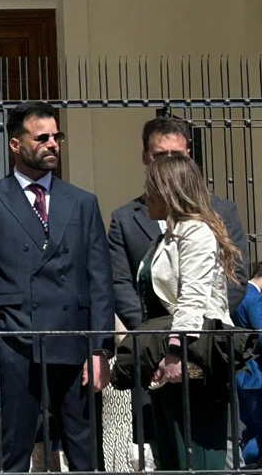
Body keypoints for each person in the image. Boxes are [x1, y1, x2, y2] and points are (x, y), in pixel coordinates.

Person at [0, 101, 113, 472]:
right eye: (42, 138)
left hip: (74, 344)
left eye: (56, 136)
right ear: (15, 144)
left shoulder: (82, 202)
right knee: (12, 455)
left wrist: (100, 348)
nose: (52, 144)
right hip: (16, 344)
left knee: (87, 456)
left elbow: (100, 280)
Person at [138, 154, 239, 470]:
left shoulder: (195, 232)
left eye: (150, 189)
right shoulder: (168, 236)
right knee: (172, 458)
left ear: (167, 192)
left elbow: (193, 299)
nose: (145, 197)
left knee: (196, 458)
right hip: (167, 361)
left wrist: (175, 353)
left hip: (192, 360)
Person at [110, 115, 249, 331]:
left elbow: (236, 277)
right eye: (159, 155)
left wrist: (204, 325)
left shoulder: (220, 212)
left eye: (176, 155)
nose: (167, 162)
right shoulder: (125, 218)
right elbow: (120, 283)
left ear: (188, 157)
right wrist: (151, 332)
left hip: (202, 334)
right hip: (151, 334)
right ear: (145, 157)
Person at [233, 265, 262, 466]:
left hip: (242, 373)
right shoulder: (255, 298)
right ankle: (249, 463)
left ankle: (245, 463)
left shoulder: (238, 294)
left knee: (250, 427)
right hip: (256, 375)